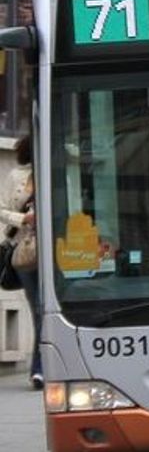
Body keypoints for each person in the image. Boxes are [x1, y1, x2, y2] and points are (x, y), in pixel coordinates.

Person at [0, 136, 39, 389]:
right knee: (38, 309)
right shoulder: (17, 175)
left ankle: (42, 367)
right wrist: (23, 218)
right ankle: (40, 369)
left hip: (56, 250)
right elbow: (1, 209)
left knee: (53, 312)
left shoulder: (57, 170)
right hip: (25, 252)